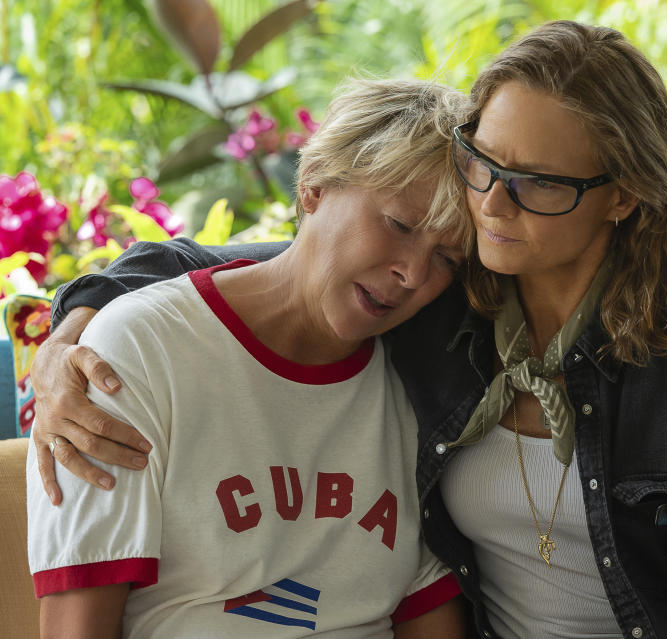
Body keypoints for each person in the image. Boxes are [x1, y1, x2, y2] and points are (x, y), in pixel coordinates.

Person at [30, 21, 667, 639]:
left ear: (623, 195)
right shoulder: (452, 301)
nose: (490, 203)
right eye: (483, 162)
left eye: (535, 184)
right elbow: (250, 267)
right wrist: (71, 334)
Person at [25, 78, 472, 638]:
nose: (412, 273)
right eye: (399, 224)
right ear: (314, 185)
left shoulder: (422, 373)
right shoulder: (132, 352)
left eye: (448, 258)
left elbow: (426, 606)